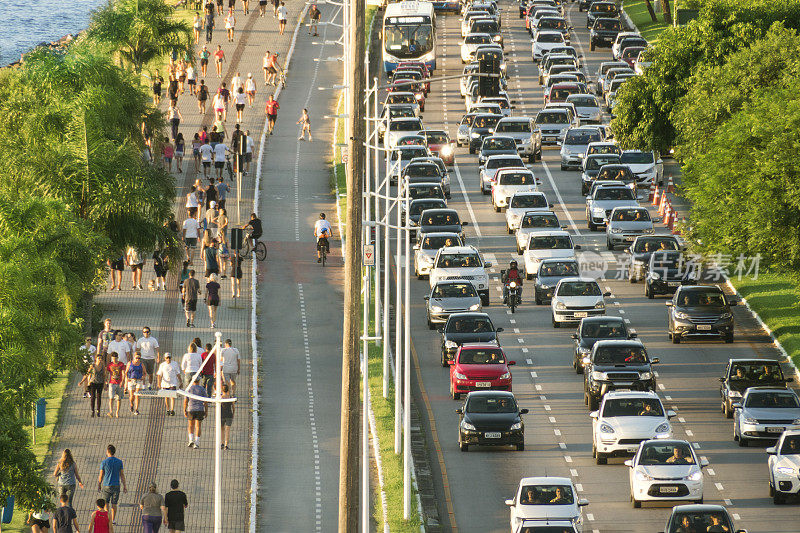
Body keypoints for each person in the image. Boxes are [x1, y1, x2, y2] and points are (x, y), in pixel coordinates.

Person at [98, 445, 127, 525]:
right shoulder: (119, 462)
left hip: (106, 485)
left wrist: (99, 484)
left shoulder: (104, 462)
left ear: (108, 452)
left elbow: (101, 475)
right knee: (114, 504)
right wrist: (124, 485)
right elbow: (122, 474)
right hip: (116, 485)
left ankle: (107, 518)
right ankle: (113, 520)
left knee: (106, 503)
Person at [184, 378, 209, 448]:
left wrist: (184, 410)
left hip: (191, 409)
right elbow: (205, 401)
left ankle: (191, 440)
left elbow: (186, 400)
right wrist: (206, 411)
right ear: (199, 381)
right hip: (200, 409)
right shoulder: (202, 389)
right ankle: (197, 443)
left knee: (190, 425)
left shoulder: (189, 388)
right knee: (198, 426)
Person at [105, 353, 125, 418]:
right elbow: (107, 373)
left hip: (119, 383)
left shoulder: (121, 364)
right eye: (113, 359)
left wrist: (123, 381)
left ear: (117, 358)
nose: (114, 360)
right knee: (111, 398)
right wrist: (106, 381)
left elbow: (123, 373)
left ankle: (117, 412)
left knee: (119, 398)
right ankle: (111, 411)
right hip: (112, 383)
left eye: (115, 358)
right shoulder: (110, 365)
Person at [220, 384, 234, 449]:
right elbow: (233, 407)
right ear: (228, 389)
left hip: (221, 415)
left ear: (222, 390)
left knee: (222, 429)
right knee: (227, 430)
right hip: (229, 414)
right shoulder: (230, 397)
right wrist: (233, 414)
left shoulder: (220, 397)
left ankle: (222, 443)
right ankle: (226, 444)